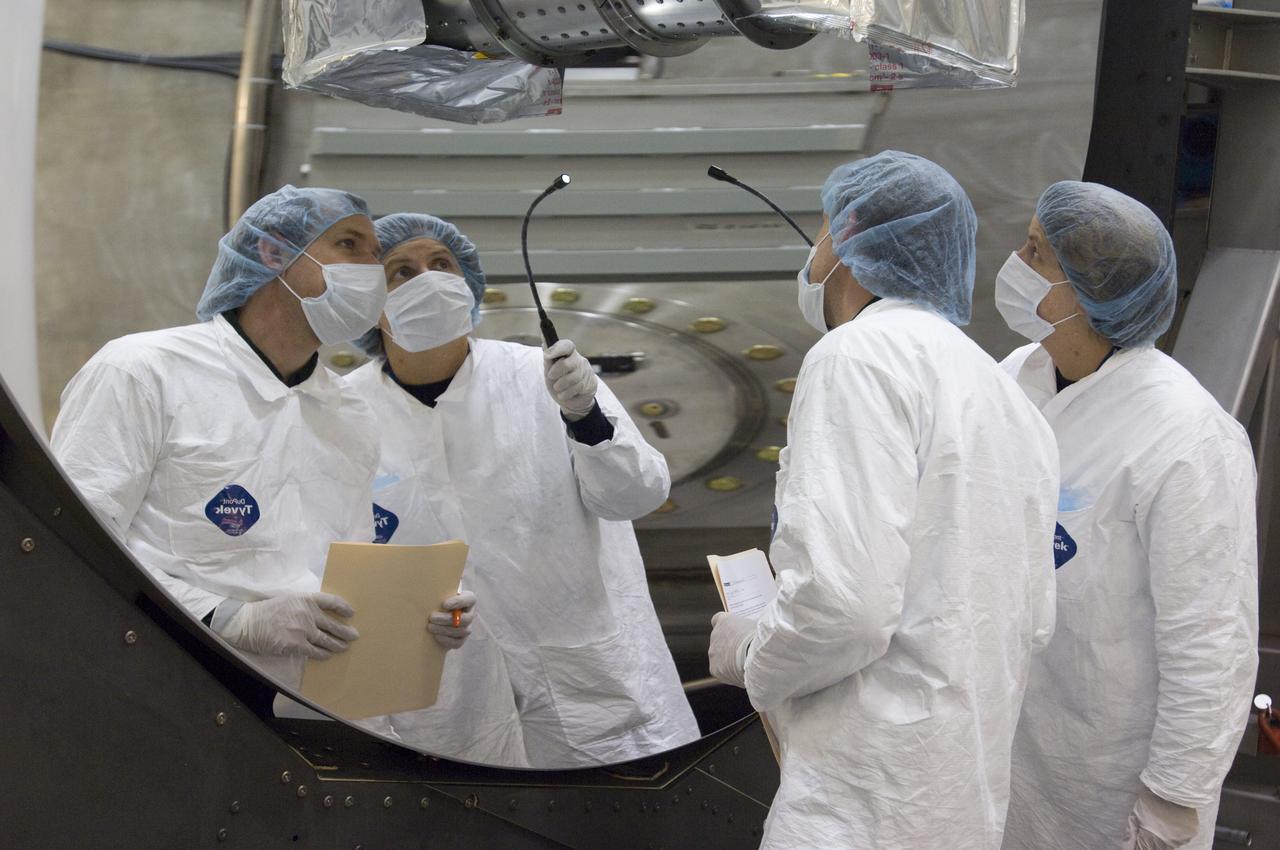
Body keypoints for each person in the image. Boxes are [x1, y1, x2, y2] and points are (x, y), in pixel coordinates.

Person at [706, 151, 1060, 849]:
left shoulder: (857, 358)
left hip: (863, 806)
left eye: (822, 229)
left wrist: (752, 652)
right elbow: (1035, 619)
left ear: (852, 237)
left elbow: (845, 608)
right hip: (961, 799)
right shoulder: (1004, 396)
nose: (814, 253)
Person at [51, 185, 472, 696]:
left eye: (376, 256)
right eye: (349, 245)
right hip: (162, 684)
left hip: (305, 709)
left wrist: (414, 615)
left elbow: (345, 578)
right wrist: (225, 617)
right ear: (274, 252)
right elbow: (69, 547)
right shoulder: (145, 371)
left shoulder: (348, 411)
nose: (371, 270)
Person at [343, 212, 700, 768]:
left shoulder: (547, 379)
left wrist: (586, 420)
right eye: (401, 272)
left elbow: (637, 495)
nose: (429, 280)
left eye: (442, 264)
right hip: (440, 703)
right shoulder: (342, 414)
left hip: (593, 690)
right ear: (368, 299)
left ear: (470, 283)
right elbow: (331, 556)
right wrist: (402, 614)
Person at [997, 182, 1258, 850]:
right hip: (1010, 757)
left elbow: (1211, 641)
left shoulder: (1185, 437)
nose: (1014, 267)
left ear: (1086, 292)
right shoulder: (1014, 378)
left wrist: (1173, 801)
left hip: (1110, 785)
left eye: (1035, 253)